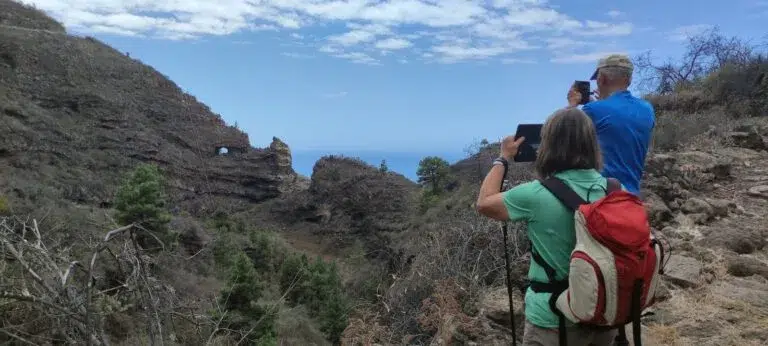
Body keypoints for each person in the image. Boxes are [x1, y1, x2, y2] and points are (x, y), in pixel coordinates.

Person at [476, 107, 620, 346]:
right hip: (604, 311)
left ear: (548, 146)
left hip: (554, 319)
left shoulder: (536, 194)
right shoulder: (614, 190)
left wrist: (503, 158)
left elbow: (484, 203)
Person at [567, 54, 655, 196]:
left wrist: (572, 106)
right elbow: (618, 125)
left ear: (601, 79)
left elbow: (562, 139)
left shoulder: (593, 110)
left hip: (601, 198)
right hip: (632, 198)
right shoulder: (647, 109)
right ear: (630, 80)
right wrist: (602, 103)